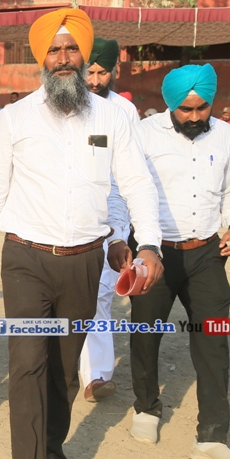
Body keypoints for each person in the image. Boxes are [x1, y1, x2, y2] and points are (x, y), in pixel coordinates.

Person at [0, 9, 163, 459]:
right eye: (54, 50)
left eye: (72, 48)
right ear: (42, 58)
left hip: (84, 261)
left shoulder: (113, 117)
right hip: (26, 259)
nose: (63, 58)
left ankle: (53, 450)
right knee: (28, 365)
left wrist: (144, 243)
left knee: (65, 371)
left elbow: (133, 183)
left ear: (84, 54)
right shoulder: (15, 118)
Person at [127, 64, 230, 459]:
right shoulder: (144, 134)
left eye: (202, 108)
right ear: (170, 104)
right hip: (155, 253)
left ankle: (212, 438)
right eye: (186, 109)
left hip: (207, 253)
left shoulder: (225, 134)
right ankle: (146, 408)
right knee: (146, 333)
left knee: (213, 339)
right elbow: (126, 190)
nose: (195, 116)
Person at [79, 36, 140, 403]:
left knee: (100, 295)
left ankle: (96, 376)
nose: (95, 81)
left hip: (112, 219)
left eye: (103, 73)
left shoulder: (124, 111)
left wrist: (120, 231)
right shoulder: (64, 105)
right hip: (68, 218)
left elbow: (129, 175)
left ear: (115, 72)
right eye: (90, 72)